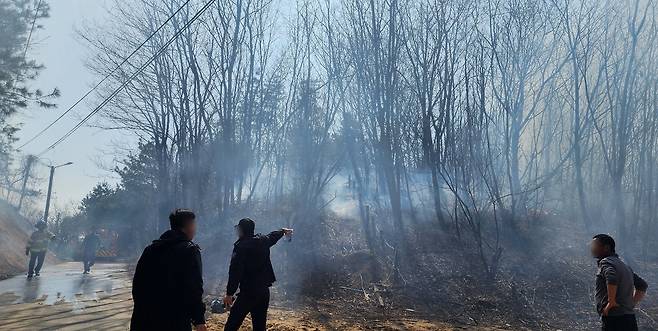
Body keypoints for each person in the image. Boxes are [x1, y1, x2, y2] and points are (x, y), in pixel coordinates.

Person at [130, 209, 207, 331]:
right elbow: (194, 288)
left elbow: (137, 285)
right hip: (174, 320)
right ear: (189, 226)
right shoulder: (190, 250)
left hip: (144, 319)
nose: (195, 229)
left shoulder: (150, 249)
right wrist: (199, 320)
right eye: (194, 225)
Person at [223, 218, 293, 331]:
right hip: (264, 292)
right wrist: (282, 231)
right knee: (259, 327)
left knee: (231, 326)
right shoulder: (263, 240)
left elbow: (235, 272)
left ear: (241, 230)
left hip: (248, 293)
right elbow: (272, 236)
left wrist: (229, 293)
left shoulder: (240, 247)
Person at [591, 234, 648, 331]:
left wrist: (611, 302)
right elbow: (642, 285)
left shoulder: (605, 262)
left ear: (606, 248)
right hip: (629, 318)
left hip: (614, 318)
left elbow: (611, 278)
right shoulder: (623, 265)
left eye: (594, 245)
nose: (592, 248)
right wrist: (631, 304)